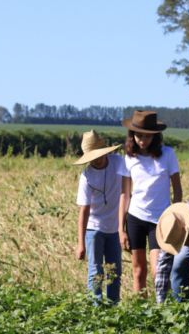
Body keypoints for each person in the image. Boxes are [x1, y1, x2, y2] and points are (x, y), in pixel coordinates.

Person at [118, 110, 182, 298]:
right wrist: (120, 229)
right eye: (139, 135)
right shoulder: (129, 158)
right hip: (135, 219)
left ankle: (165, 309)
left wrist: (176, 217)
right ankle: (141, 312)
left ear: (155, 136)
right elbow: (125, 194)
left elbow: (177, 189)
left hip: (161, 220)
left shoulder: (168, 154)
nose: (143, 140)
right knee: (138, 271)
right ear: (132, 135)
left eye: (148, 136)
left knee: (158, 271)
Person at [72, 130, 126, 303]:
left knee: (114, 271)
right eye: (93, 157)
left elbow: (127, 189)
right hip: (94, 229)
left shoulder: (118, 161)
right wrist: (81, 244)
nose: (98, 159)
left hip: (115, 228)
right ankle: (95, 309)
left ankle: (112, 308)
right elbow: (84, 211)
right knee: (96, 271)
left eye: (100, 154)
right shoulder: (86, 177)